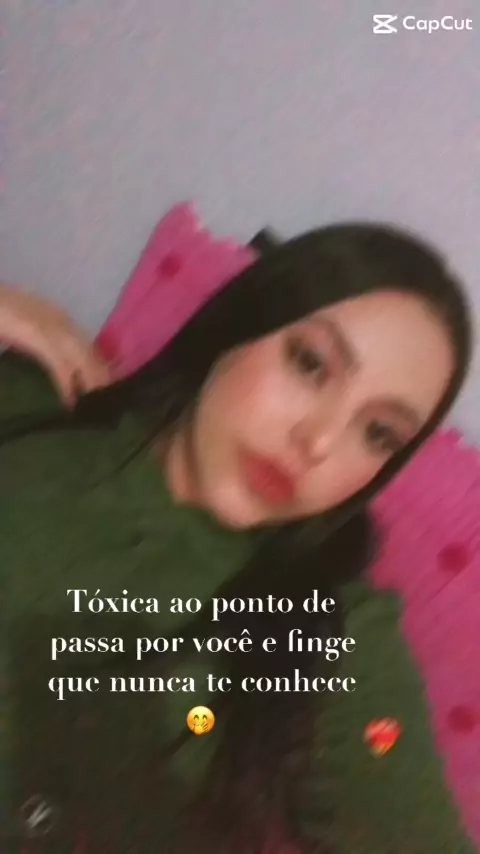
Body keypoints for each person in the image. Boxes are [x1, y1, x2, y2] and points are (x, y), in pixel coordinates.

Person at [0, 221, 475, 854]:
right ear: (243, 321)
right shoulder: (34, 401)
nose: (318, 442)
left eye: (378, 433)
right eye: (310, 364)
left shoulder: (332, 635)